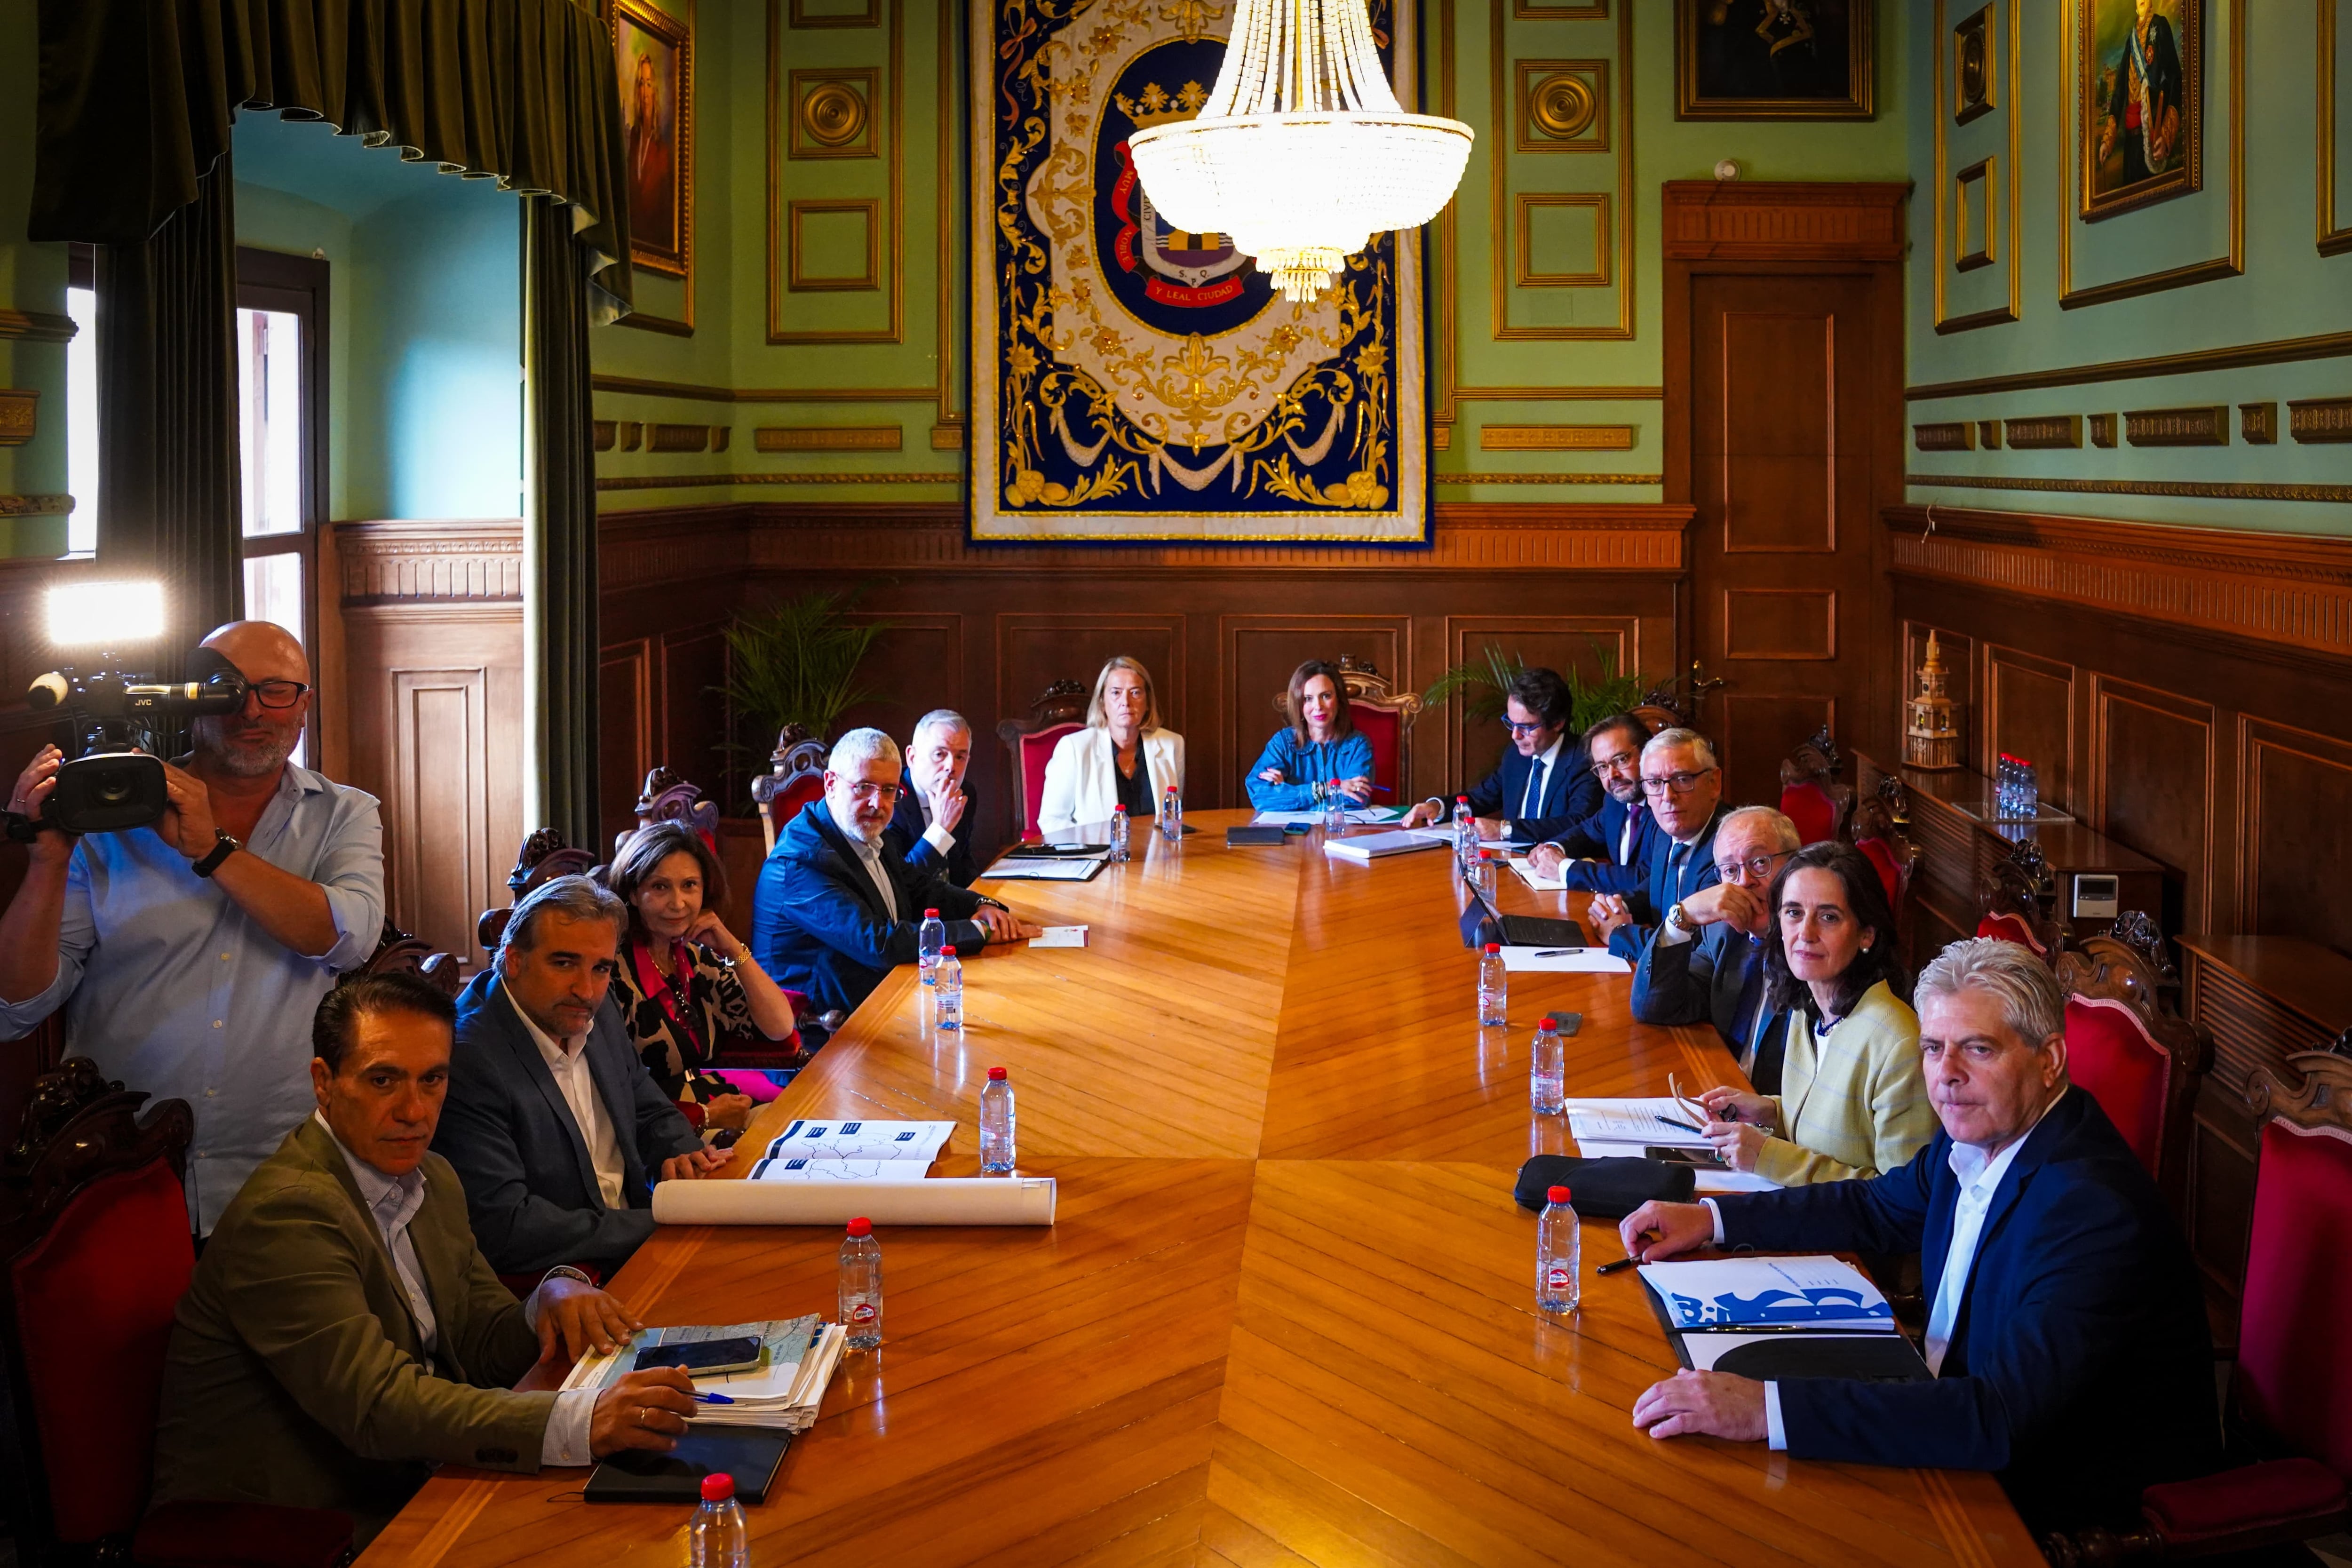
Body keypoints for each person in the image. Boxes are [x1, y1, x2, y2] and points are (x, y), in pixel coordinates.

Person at [1620, 938, 2221, 1537]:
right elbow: (1875, 1206)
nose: (1947, 1076)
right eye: (1933, 1049)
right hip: (1948, 1425)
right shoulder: (1981, 1133)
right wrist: (1714, 1220)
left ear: (2049, 1061)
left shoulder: (2091, 1213)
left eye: (1978, 1049)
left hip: (2047, 1509)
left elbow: (1999, 1416)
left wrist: (1763, 1408)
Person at [151, 975, 699, 1546]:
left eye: (432, 1080)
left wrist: (550, 1298)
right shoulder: (287, 1214)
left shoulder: (431, 1177)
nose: (414, 1110)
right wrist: (579, 1421)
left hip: (417, 1476)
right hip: (299, 1526)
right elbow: (376, 1406)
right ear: (324, 1083)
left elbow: (480, 1341)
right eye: (383, 1080)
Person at [0, 621, 386, 1237]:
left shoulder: (344, 815)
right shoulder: (110, 821)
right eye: (225, 691)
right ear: (189, 702)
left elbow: (349, 937)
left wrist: (214, 850)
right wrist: (46, 861)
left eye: (276, 691)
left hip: (280, 1163)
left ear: (305, 705)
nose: (251, 710)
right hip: (120, 1168)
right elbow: (14, 1008)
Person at [436, 876, 730, 1278]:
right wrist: (662, 1221)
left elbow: (645, 1104)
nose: (585, 988)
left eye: (601, 967)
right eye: (564, 963)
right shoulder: (470, 1059)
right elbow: (506, 1226)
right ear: (515, 959)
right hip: (571, 1279)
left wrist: (679, 1149)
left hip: (643, 1244)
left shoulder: (593, 1005)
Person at [1687, 842, 1936, 1185]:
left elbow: (1901, 1200)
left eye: (1829, 917)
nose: (1805, 934)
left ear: (1867, 933)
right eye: (1793, 912)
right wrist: (1772, 1111)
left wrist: (1768, 1154)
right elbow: (1835, 1129)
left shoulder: (1899, 1046)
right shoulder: (1807, 1008)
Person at [754, 729, 1041, 1023]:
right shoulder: (802, 862)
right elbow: (879, 944)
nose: (878, 804)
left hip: (885, 995)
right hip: (823, 1032)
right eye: (864, 787)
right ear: (831, 784)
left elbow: (920, 888)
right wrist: (980, 931)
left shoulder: (869, 834)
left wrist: (982, 906)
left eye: (889, 790)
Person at [602, 822, 801, 1134]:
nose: (678, 903)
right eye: (660, 887)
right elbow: (612, 1094)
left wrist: (733, 947)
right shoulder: (612, 975)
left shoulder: (693, 958)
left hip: (715, 1110)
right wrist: (704, 1115)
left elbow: (779, 1027)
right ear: (633, 893)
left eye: (689, 885)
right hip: (663, 1133)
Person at [1629, 806, 1799, 1081]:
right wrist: (1682, 916)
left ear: (1796, 865)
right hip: (1716, 1085)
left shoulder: (1814, 951)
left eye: (1759, 863)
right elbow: (1654, 1006)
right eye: (1731, 870)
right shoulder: (1723, 931)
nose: (1744, 882)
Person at [1402, 667, 1600, 842]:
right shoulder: (1516, 756)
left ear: (1558, 723)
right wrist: (1438, 807)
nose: (1515, 735)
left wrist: (1505, 830)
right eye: (1511, 723)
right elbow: (1482, 798)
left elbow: (1579, 822)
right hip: (1511, 860)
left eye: (1527, 727)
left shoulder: (1584, 760)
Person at [1586, 727, 1728, 961]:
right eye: (1654, 783)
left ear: (1714, 783)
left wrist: (1620, 933)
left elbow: (1693, 954)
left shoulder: (1729, 850)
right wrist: (1618, 907)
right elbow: (1659, 890)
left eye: (1682, 780)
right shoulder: (1668, 829)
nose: (1667, 796)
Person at [1036, 657, 1185, 836]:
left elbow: (1173, 817)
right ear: (1102, 702)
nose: (1126, 702)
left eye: (1136, 693)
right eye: (1116, 693)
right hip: (1098, 856)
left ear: (1148, 702)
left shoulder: (1172, 745)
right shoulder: (1074, 749)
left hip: (1158, 858)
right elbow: (1052, 820)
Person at [1525, 713, 1655, 893]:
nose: (1612, 776)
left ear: (1646, 753)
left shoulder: (1665, 805)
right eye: (1602, 767)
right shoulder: (1614, 801)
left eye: (1621, 760)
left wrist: (1565, 869)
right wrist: (1551, 849)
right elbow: (1587, 831)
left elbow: (1645, 878)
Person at [1245, 660, 1376, 812]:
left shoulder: (1358, 744)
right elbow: (1260, 796)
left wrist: (1287, 793)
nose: (1318, 707)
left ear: (1339, 700)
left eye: (1326, 696)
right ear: (1299, 705)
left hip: (1344, 833)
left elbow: (1354, 801)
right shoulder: (1282, 743)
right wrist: (1326, 789)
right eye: (1308, 699)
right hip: (1292, 834)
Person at [885, 708, 984, 887]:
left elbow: (962, 861)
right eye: (940, 754)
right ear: (912, 757)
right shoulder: (890, 798)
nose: (951, 766)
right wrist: (941, 829)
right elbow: (899, 883)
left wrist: (981, 901)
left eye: (960, 757)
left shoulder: (965, 793)